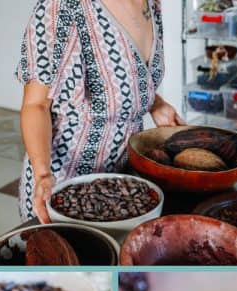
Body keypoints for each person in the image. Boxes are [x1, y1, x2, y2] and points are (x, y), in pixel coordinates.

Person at [16, 0, 183, 223]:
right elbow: (36, 105)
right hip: (65, 183)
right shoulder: (63, 7)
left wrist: (155, 103)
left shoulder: (151, 4)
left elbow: (129, 74)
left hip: (123, 180)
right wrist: (43, 174)